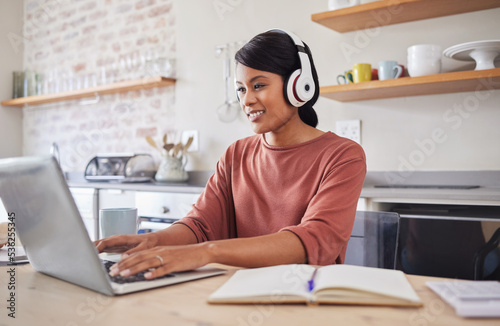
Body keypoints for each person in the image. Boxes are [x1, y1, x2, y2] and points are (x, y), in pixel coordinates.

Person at [95, 29, 366, 280]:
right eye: (241, 89)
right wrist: (152, 240)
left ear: (299, 85)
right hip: (237, 290)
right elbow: (200, 225)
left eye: (258, 85)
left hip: (304, 294)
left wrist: (208, 252)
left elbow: (313, 240)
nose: (246, 100)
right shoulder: (236, 154)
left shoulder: (343, 155)